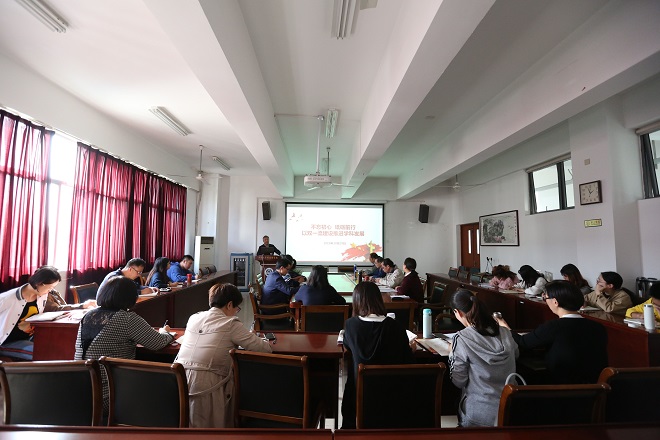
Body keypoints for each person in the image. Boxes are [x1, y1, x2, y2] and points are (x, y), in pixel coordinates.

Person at [175, 283, 272, 428]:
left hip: (179, 379)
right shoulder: (230, 323)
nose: (236, 313)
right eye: (236, 309)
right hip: (207, 384)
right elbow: (264, 349)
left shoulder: (194, 318)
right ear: (229, 304)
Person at [74, 276, 174, 412]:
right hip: (110, 395)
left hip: (81, 394)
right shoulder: (126, 318)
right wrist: (166, 333)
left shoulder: (88, 316)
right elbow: (157, 343)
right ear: (131, 297)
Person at [496, 280, 608, 384]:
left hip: (561, 387)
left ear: (555, 302)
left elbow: (523, 342)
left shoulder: (554, 327)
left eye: (545, 298)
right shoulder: (598, 327)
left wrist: (504, 326)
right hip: (595, 387)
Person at [341, 282, 415, 429]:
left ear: (356, 301)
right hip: (392, 395)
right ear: (378, 299)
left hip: (359, 395)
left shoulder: (351, 325)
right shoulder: (395, 326)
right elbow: (407, 359)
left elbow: (347, 346)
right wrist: (411, 348)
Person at [449, 289, 518, 427]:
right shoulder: (504, 332)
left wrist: (452, 352)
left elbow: (458, 381)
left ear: (458, 312)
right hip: (511, 409)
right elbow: (516, 354)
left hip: (479, 413)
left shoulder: (461, 338)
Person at [0, 266, 62, 360]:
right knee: (44, 354)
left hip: (29, 337)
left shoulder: (42, 296)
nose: (50, 291)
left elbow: (54, 309)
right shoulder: (7, 298)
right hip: (7, 342)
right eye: (50, 287)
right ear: (39, 283)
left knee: (59, 346)